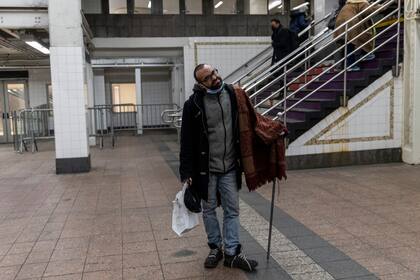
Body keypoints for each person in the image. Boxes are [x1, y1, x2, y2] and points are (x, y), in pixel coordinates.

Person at [179, 64, 258, 272]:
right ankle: (216, 248)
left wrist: (274, 133)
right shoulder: (193, 105)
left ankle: (231, 252)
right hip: (206, 169)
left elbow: (253, 120)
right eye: (207, 77)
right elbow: (186, 141)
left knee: (232, 210)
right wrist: (186, 173)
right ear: (200, 84)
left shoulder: (234, 94)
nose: (214, 78)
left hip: (230, 166)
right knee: (209, 210)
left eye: (214, 72)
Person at [334, 0, 380, 71]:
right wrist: (381, 7)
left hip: (341, 25)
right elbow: (367, 11)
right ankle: (365, 55)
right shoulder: (362, 2)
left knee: (348, 44)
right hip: (351, 23)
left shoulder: (350, 3)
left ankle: (348, 65)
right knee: (364, 36)